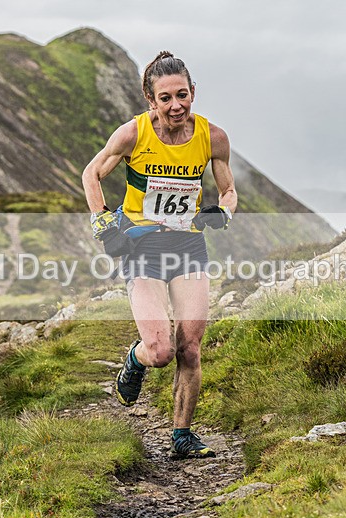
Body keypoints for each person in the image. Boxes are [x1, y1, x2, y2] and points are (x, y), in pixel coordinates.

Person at [82, 51, 238, 458]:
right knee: (161, 351)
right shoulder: (133, 134)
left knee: (189, 347)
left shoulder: (213, 137)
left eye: (182, 95)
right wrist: (103, 223)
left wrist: (222, 213)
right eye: (165, 98)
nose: (176, 106)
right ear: (150, 100)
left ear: (193, 92)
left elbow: (228, 191)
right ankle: (135, 360)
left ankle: (182, 436)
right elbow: (92, 173)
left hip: (188, 247)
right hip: (141, 248)